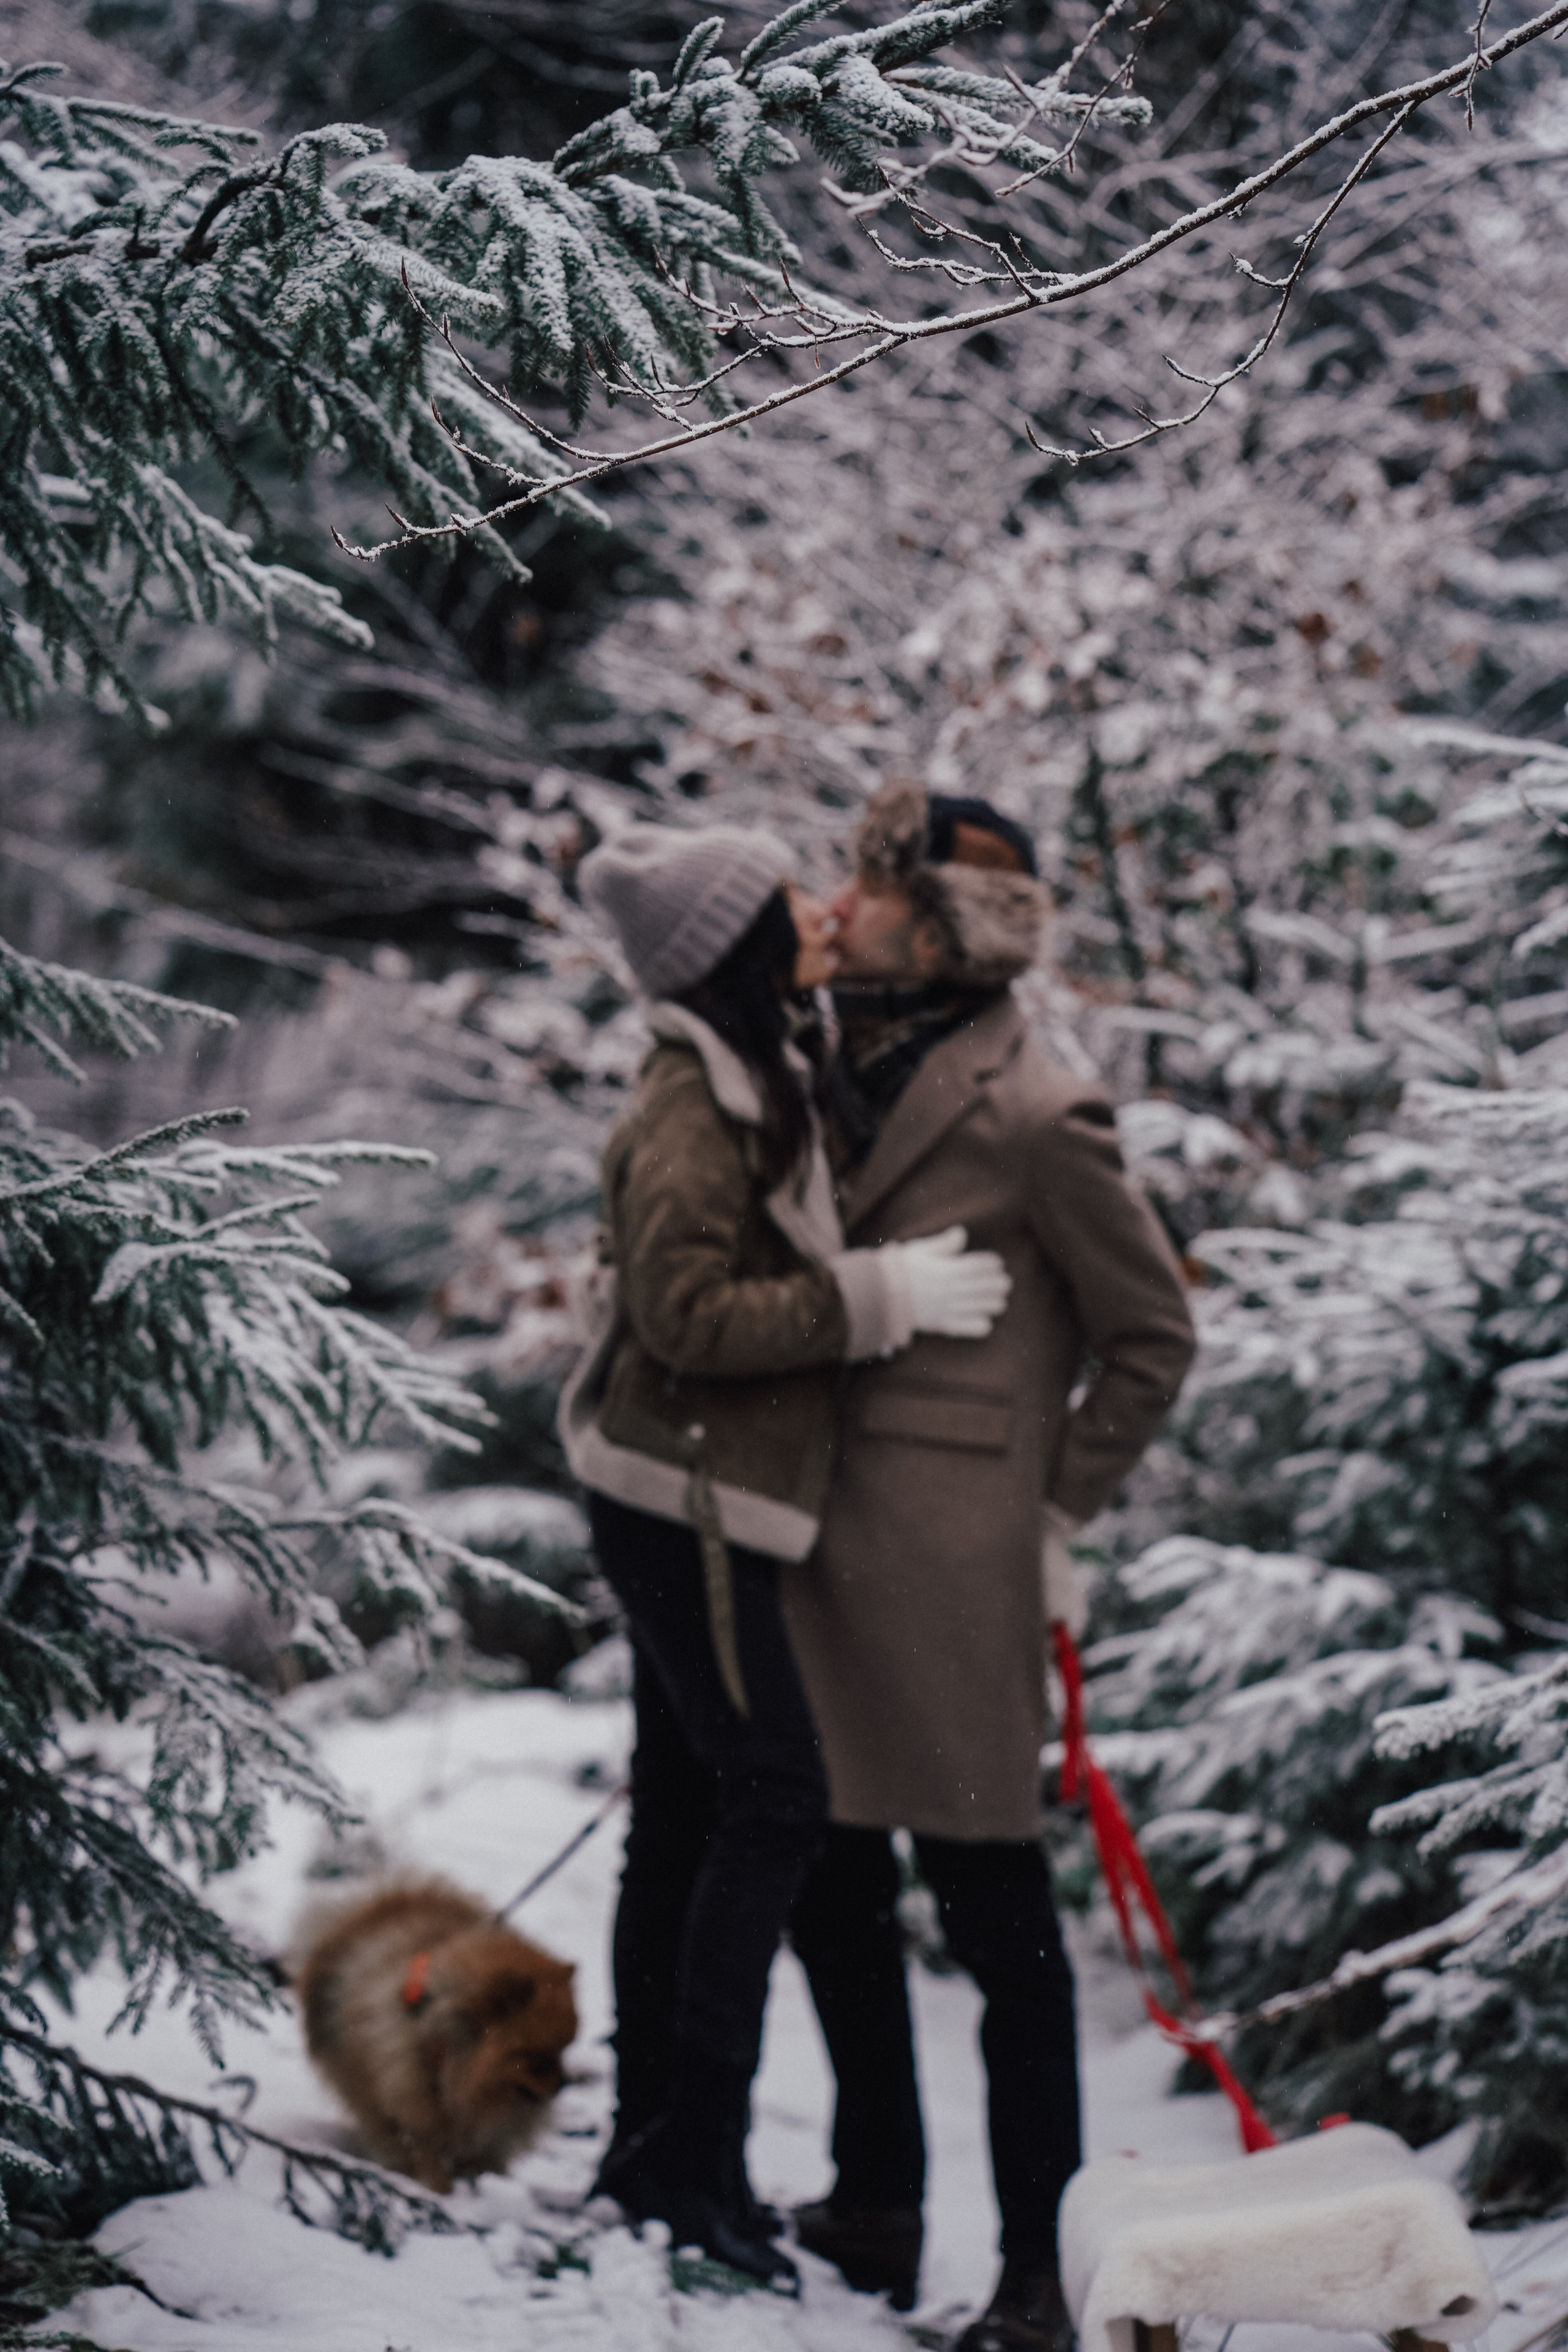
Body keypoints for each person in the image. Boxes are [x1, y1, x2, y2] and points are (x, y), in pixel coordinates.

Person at [560, 821, 1012, 2290]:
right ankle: (691, 2162)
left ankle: (653, 2150)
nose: (824, 909)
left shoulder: (759, 1060)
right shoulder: (694, 1097)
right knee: (773, 1798)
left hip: (700, 1491)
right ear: (738, 943)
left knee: (688, 1819)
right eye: (788, 899)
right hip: (680, 1495)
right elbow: (687, 1318)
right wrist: (870, 1298)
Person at [780, 783, 1198, 2350]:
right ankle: (874, 2200)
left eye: (870, 882)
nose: (843, 897)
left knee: (997, 1926)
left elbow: (1153, 1338)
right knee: (829, 1891)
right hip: (811, 1545)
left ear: (936, 924)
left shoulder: (1036, 1110)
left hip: (957, 1583)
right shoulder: (818, 1057)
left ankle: (1037, 2272)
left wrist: (1051, 1508)